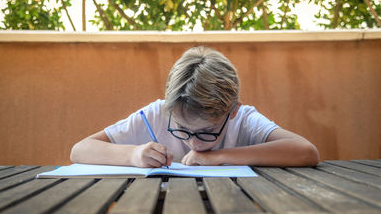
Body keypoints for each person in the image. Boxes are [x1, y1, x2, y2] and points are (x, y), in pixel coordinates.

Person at [70, 46, 319, 167]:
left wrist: (220, 156)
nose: (195, 143)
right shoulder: (158, 113)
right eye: (182, 129)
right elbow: (79, 150)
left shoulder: (243, 119)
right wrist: (132, 155)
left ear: (232, 111)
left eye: (207, 131)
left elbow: (306, 151)